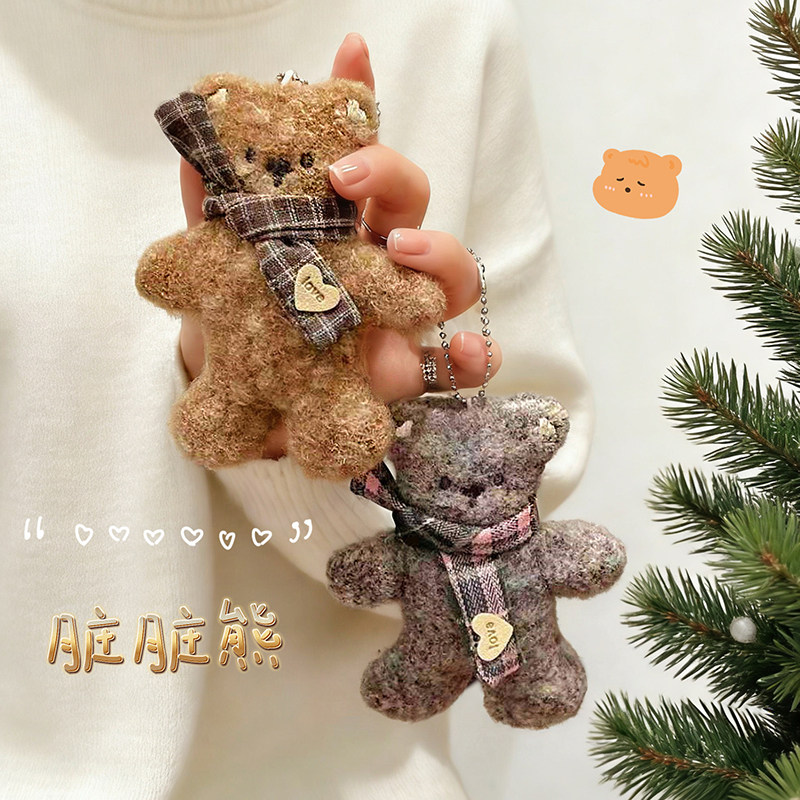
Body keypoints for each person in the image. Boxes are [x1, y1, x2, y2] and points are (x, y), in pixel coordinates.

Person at [0, 1, 591, 797]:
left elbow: (527, 502)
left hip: (349, 779)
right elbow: (166, 272)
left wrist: (364, 440)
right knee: (230, 405)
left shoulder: (447, 24)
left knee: (331, 415)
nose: (278, 173)